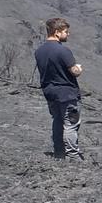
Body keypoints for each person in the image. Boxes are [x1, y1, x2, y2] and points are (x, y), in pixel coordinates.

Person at [33, 17, 83, 160]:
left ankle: (59, 152)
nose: (68, 34)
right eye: (65, 31)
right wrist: (79, 69)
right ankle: (73, 155)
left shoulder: (39, 51)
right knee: (70, 124)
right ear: (56, 32)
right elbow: (74, 71)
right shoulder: (63, 51)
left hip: (50, 92)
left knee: (57, 121)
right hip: (67, 93)